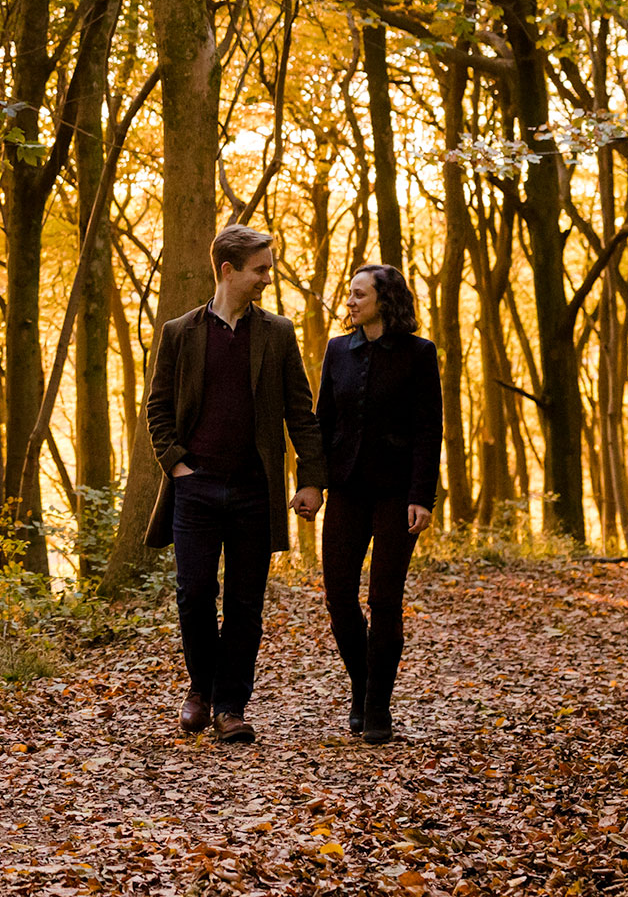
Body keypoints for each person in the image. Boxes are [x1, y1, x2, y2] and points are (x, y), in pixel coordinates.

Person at [143, 225, 324, 744]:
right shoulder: (180, 332)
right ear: (228, 270)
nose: (268, 277)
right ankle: (200, 689)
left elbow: (300, 411)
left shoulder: (277, 333)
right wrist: (177, 464)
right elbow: (158, 408)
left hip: (253, 492)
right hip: (194, 490)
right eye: (260, 269)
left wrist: (311, 480)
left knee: (246, 604)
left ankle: (230, 707)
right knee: (194, 594)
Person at [309, 262, 443, 745]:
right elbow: (323, 421)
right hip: (345, 490)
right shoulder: (337, 351)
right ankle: (362, 686)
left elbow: (430, 430)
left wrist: (421, 497)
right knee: (339, 597)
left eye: (359, 294)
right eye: (349, 294)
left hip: (396, 494)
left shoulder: (419, 354)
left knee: (385, 601)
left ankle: (377, 707)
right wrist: (312, 484)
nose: (350, 301)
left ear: (384, 300)